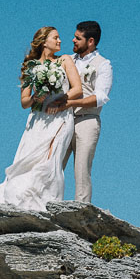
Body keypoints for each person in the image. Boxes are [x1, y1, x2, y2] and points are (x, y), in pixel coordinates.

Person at [0, 26, 83, 211]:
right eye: (56, 38)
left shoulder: (65, 60)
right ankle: (22, 199)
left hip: (61, 116)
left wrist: (57, 99)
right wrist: (40, 95)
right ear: (44, 41)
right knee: (29, 161)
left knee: (51, 159)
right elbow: (25, 102)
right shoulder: (30, 67)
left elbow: (77, 89)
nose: (60, 41)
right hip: (38, 118)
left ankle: (47, 203)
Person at [46, 21, 111, 203]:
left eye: (78, 38)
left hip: (87, 120)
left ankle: (81, 211)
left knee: (82, 170)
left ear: (90, 41)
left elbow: (100, 97)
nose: (73, 40)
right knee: (54, 164)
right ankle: (47, 205)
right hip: (63, 119)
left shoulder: (103, 64)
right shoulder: (68, 60)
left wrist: (71, 102)